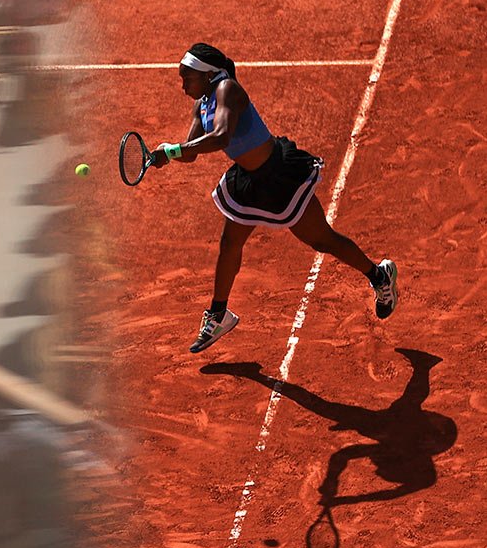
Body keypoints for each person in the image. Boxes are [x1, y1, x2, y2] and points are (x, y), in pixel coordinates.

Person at [150, 43, 399, 353]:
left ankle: (379, 276)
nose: (183, 84)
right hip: (248, 180)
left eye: (187, 77)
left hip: (279, 176)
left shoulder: (228, 89)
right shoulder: (202, 103)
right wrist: (167, 153)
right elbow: (191, 152)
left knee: (323, 240)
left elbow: (222, 136)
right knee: (229, 244)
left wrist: (176, 150)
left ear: (208, 74)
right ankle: (218, 313)